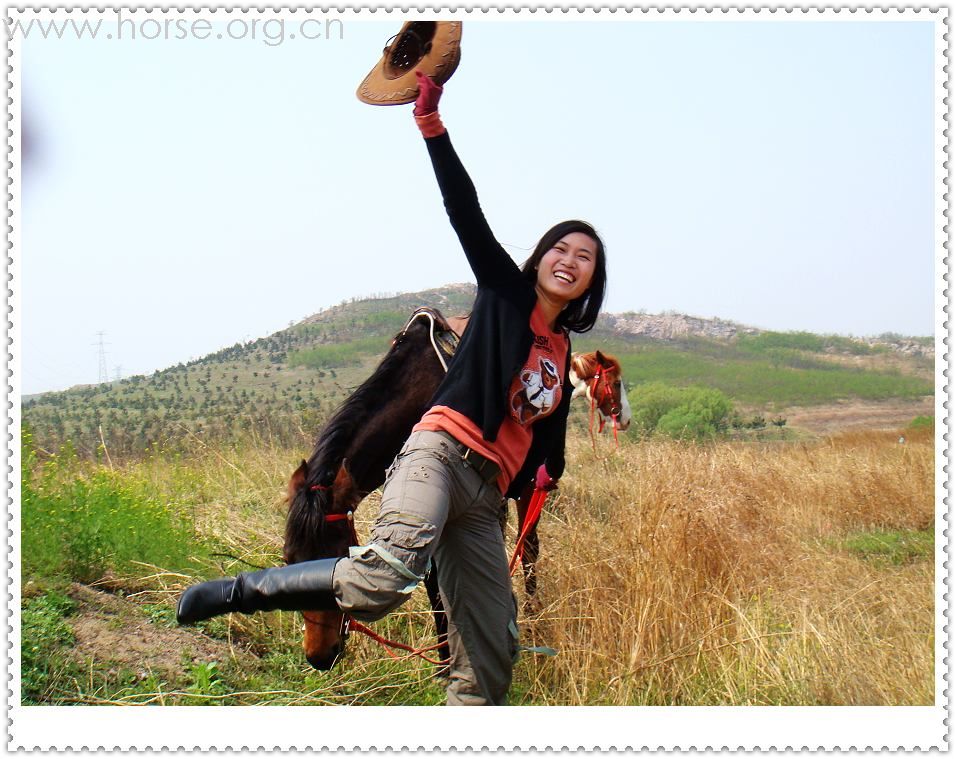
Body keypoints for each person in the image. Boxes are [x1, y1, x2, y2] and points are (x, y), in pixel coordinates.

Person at [176, 71, 608, 706]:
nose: (570, 260)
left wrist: (545, 475)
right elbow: (465, 209)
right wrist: (431, 125)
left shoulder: (562, 346)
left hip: (485, 499)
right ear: (540, 258)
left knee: (491, 652)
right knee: (384, 581)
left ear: (592, 281)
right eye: (560, 248)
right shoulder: (504, 295)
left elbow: (549, 436)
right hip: (440, 457)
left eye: (586, 257)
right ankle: (239, 592)